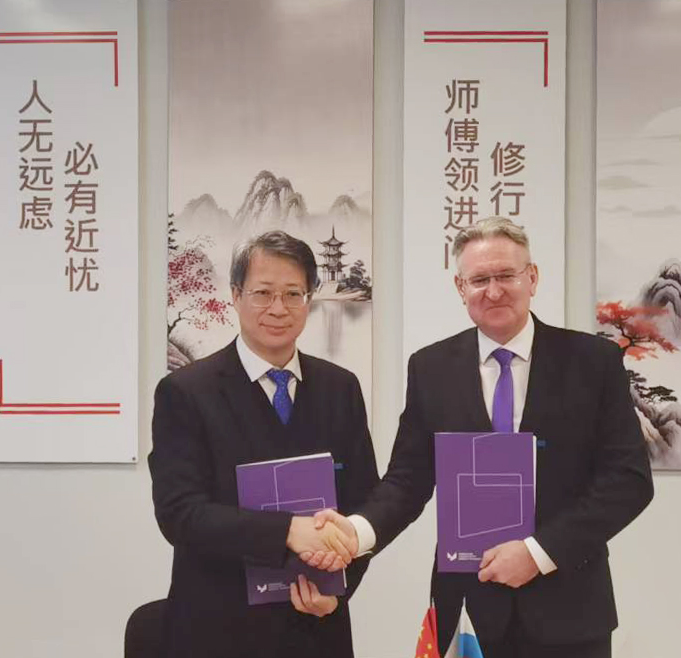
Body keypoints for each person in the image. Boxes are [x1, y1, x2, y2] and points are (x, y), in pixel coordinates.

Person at [308, 217, 653, 658]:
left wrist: (539, 552)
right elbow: (407, 481)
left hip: (570, 609)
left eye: (506, 275)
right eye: (480, 280)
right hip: (467, 610)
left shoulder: (593, 361)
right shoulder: (431, 368)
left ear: (533, 277)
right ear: (460, 287)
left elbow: (628, 481)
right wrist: (355, 532)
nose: (494, 291)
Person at [149, 230, 378, 658]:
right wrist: (288, 531)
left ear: (309, 298)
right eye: (263, 293)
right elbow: (179, 514)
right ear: (236, 295)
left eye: (293, 294)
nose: (278, 308)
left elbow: (365, 504)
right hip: (217, 630)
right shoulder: (186, 392)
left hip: (317, 626)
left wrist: (338, 592)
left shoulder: (340, 388)